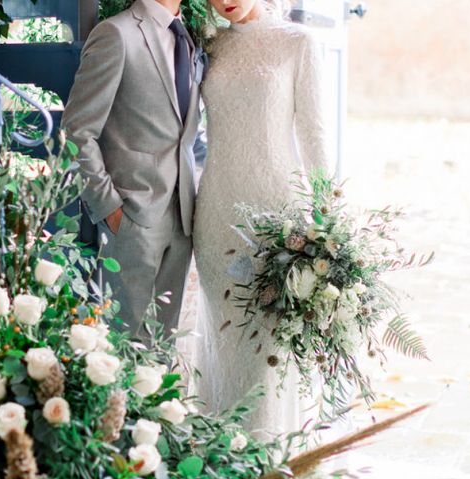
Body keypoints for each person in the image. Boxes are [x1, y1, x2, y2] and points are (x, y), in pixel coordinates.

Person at [193, 0, 329, 439]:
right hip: (216, 210)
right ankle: (219, 455)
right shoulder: (210, 45)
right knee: (224, 336)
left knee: (267, 346)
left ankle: (267, 461)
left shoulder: (299, 43)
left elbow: (314, 133)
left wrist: (326, 215)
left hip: (277, 216)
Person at [62, 0, 204, 338]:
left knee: (162, 346)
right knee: (120, 349)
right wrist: (109, 207)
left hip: (183, 217)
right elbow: (77, 132)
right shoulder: (117, 33)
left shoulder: (189, 38)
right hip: (131, 217)